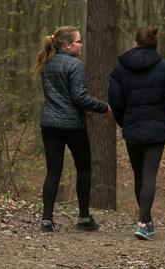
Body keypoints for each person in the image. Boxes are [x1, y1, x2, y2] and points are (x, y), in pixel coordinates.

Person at [31, 26, 112, 232]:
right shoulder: (76, 65)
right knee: (83, 169)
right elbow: (79, 97)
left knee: (53, 171)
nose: (81, 44)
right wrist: (104, 108)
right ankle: (84, 218)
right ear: (67, 44)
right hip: (73, 125)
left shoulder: (47, 62)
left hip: (49, 124)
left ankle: (46, 219)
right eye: (78, 41)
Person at [108, 26, 165, 240]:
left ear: (135, 43)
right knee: (149, 174)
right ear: (154, 44)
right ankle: (143, 222)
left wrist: (124, 122)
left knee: (139, 174)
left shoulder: (120, 69)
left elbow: (116, 101)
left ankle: (145, 222)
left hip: (132, 127)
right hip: (156, 127)